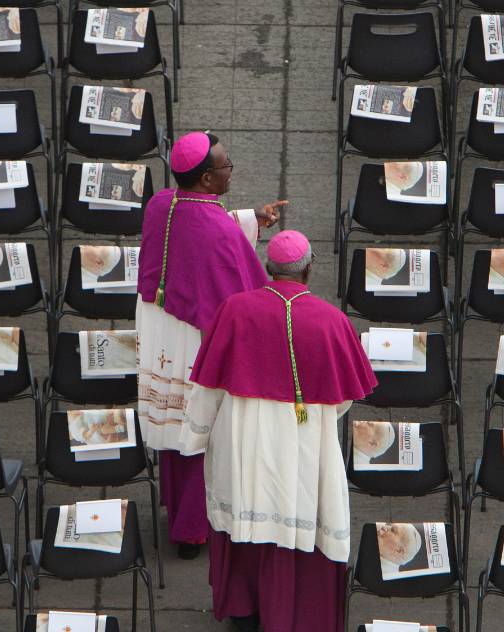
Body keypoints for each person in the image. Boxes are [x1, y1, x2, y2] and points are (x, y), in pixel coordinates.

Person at [180, 230, 377, 632]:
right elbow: (341, 402)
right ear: (309, 269)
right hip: (305, 444)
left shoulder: (235, 311)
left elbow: (210, 387)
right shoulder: (332, 321)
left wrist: (197, 435)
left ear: (269, 269)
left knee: (243, 520)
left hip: (243, 439)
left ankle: (245, 610)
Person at [136, 131, 287, 559]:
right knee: (198, 428)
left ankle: (176, 506)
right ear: (204, 178)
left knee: (171, 422)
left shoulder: (162, 202)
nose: (230, 170)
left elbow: (198, 226)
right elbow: (237, 295)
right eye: (225, 166)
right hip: (192, 338)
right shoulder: (219, 234)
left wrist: (252, 219)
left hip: (159, 324)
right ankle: (192, 529)